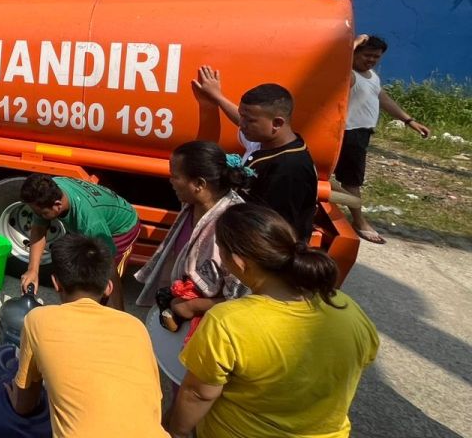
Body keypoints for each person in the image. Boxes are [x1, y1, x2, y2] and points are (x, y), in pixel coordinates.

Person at [164, 204, 379, 438]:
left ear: (238, 262)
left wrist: (177, 431)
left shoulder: (228, 321)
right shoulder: (348, 307)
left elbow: (198, 393)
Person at [9, 234, 168, 438]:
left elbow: (25, 405)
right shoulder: (136, 327)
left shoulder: (39, 320)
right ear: (108, 288)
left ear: (56, 283)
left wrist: (14, 398)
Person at [193, 68, 319, 242]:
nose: (242, 124)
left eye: (249, 120)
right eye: (242, 116)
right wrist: (217, 97)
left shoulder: (289, 169)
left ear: (277, 123)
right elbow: (243, 120)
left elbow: (276, 229)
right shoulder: (264, 141)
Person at [135, 142, 249, 329]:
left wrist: (192, 305)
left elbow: (244, 298)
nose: (170, 181)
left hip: (217, 328)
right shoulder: (192, 206)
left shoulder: (235, 225)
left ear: (199, 184)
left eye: (175, 176)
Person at [332, 35, 430, 244]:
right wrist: (354, 42)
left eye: (376, 57)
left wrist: (409, 120)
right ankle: (359, 222)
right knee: (351, 181)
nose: (372, 60)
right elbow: (337, 63)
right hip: (349, 133)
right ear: (355, 53)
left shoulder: (372, 76)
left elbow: (382, 98)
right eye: (367, 55)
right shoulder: (348, 75)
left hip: (362, 133)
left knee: (348, 179)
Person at [19, 175, 140, 310]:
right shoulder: (47, 191)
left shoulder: (89, 221)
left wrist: (118, 316)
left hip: (121, 230)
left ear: (58, 206)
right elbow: (39, 229)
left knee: (103, 285)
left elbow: (109, 268)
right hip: (96, 219)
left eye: (42, 213)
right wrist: (33, 270)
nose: (39, 216)